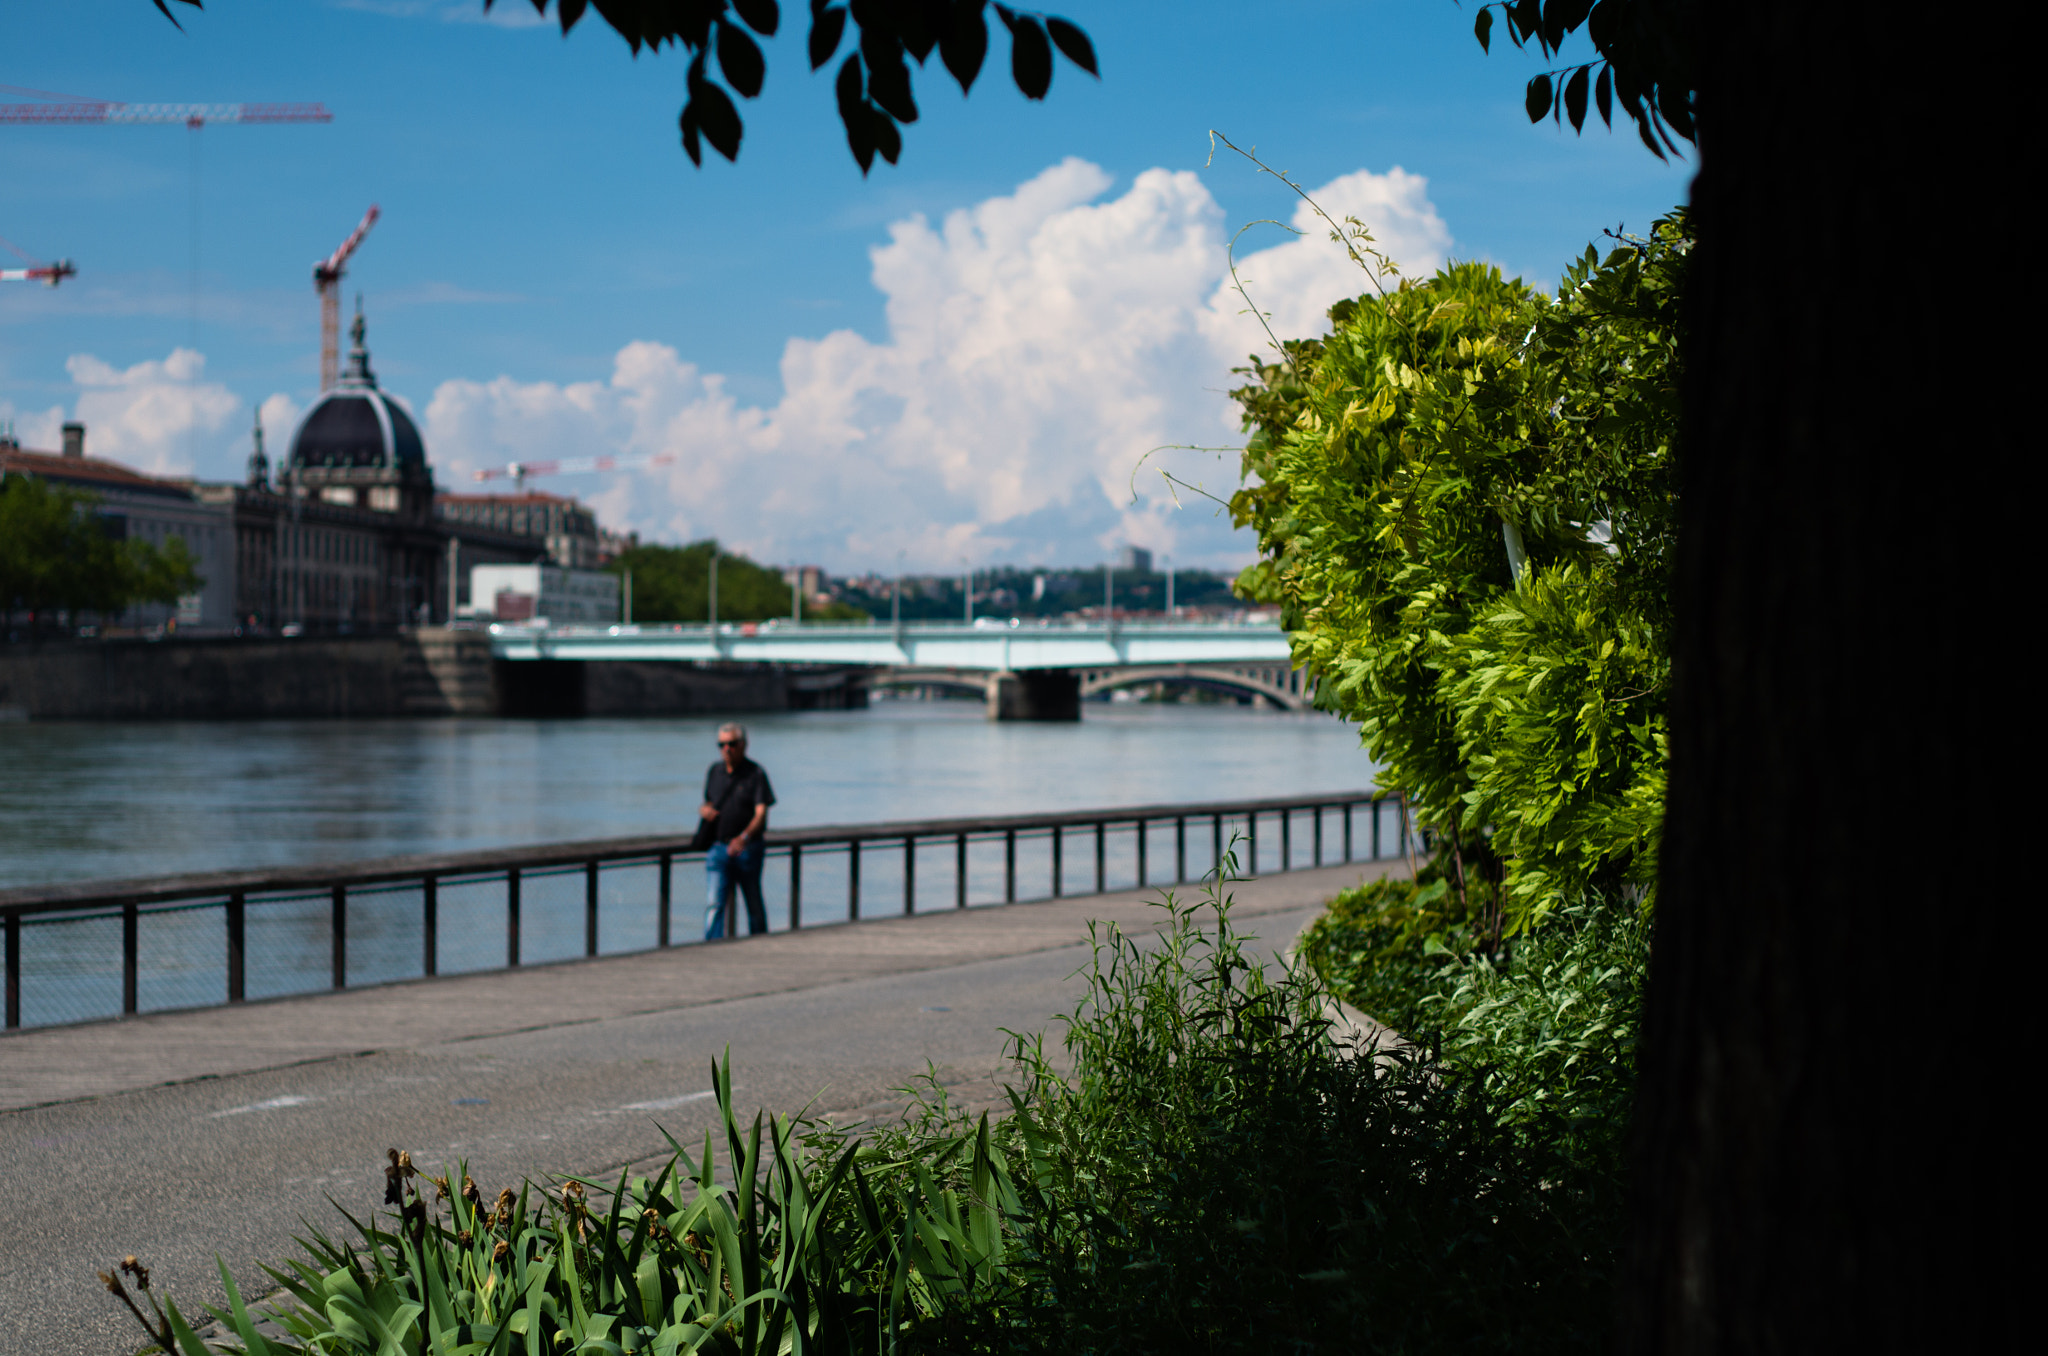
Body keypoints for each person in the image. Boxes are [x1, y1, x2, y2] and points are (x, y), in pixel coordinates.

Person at [701, 722, 775, 939]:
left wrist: (743, 838)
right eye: (721, 744)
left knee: (753, 901)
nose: (726, 749)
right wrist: (704, 810)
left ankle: (759, 943)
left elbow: (761, 814)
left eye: (731, 744)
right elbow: (708, 802)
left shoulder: (756, 773)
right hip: (718, 848)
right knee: (714, 903)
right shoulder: (714, 771)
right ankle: (712, 946)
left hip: (748, 849)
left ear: (743, 745)